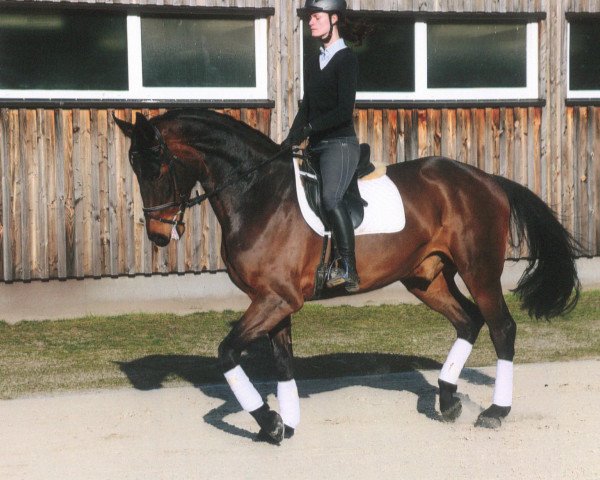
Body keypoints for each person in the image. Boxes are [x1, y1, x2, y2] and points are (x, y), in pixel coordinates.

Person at [282, 0, 360, 292]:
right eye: (310, 18)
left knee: (329, 198)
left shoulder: (346, 59)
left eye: (316, 17)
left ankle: (348, 267)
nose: (311, 22)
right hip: (315, 145)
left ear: (334, 18)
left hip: (339, 144)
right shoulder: (315, 61)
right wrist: (290, 138)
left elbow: (343, 110)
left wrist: (311, 129)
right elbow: (307, 107)